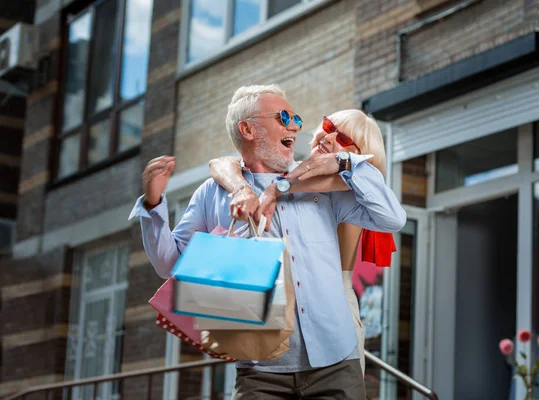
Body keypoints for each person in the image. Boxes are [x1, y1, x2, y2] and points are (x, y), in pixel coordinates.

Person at [129, 84, 406, 399]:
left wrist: (347, 163)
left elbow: (392, 219)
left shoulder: (321, 187)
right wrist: (152, 206)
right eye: (284, 116)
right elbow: (168, 263)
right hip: (260, 371)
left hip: (336, 362)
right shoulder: (212, 192)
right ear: (248, 129)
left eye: (297, 118)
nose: (295, 125)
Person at [209, 109, 393, 373]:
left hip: (335, 310)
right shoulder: (296, 173)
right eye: (328, 126)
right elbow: (219, 163)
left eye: (342, 139)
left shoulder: (344, 188)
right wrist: (242, 184)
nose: (329, 138)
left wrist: (277, 187)